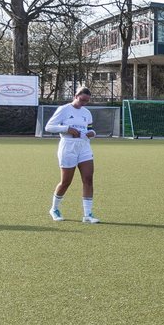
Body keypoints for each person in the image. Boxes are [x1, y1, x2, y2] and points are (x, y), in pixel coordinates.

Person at [44, 86, 100, 224]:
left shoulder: (87, 113)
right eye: (82, 100)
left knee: (88, 179)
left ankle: (87, 214)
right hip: (68, 146)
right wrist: (67, 128)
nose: (84, 103)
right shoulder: (64, 109)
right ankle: (54, 209)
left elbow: (91, 129)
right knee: (66, 181)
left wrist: (92, 133)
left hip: (84, 146)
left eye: (87, 101)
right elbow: (49, 127)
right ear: (75, 96)